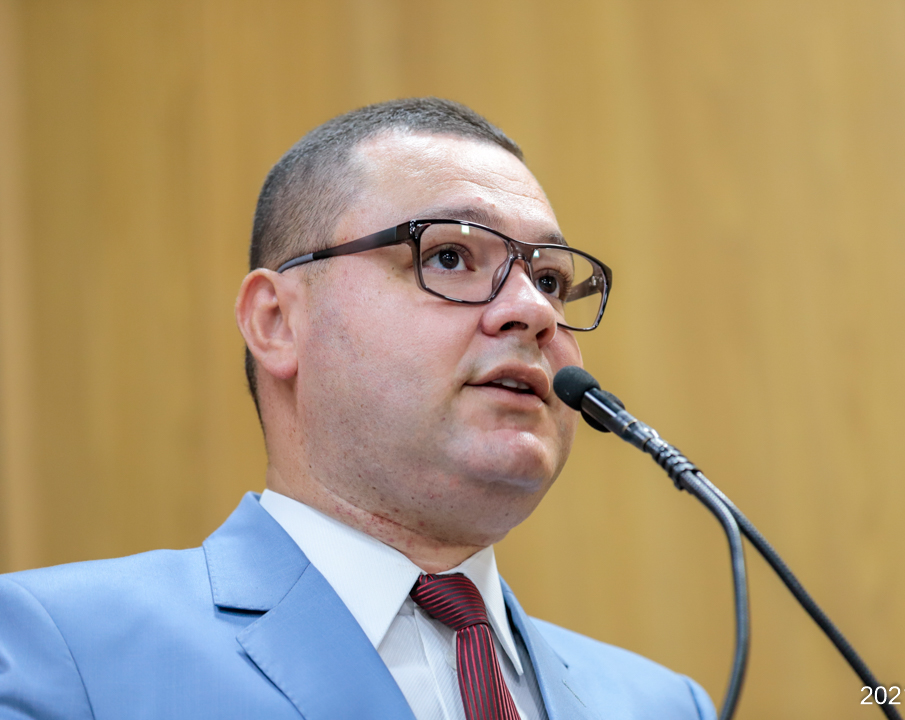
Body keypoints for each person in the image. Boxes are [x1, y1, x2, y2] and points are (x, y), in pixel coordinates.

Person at [0, 98, 715, 720]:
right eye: (448, 256)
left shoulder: (665, 705)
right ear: (278, 322)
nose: (534, 311)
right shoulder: (58, 650)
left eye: (551, 278)